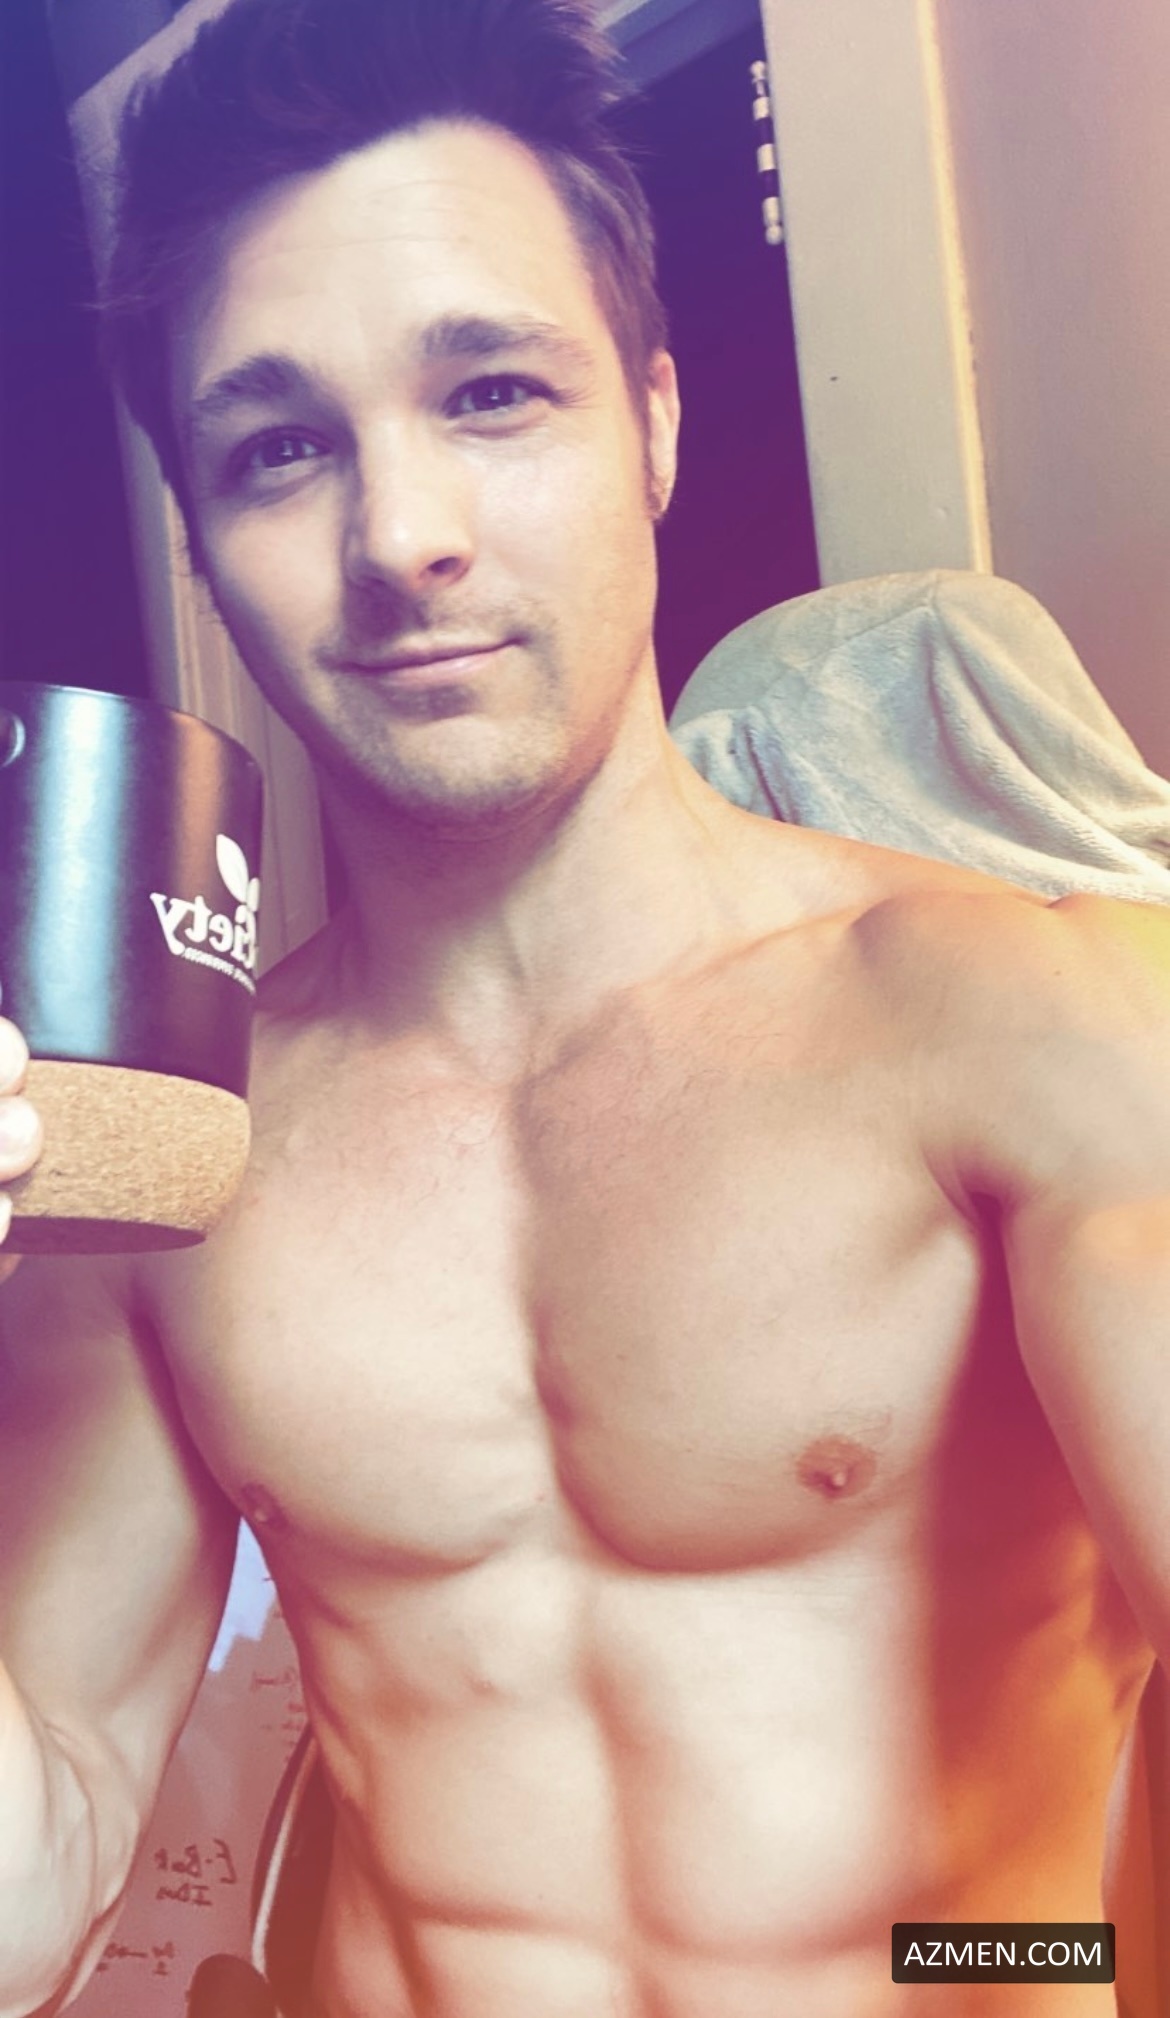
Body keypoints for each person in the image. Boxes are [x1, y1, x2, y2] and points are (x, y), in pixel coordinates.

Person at [2, 2, 1168, 2013]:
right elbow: (48, 1856)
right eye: (281, 448)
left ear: (653, 423)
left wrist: (1042, 1964)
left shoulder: (1028, 1027)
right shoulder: (173, 1150)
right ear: (197, 531)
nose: (401, 539)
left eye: (490, 394)